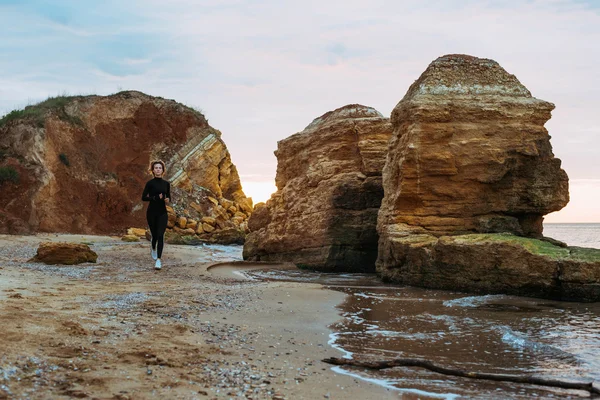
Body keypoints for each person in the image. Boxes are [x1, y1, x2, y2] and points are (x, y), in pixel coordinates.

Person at [141, 160, 171, 270]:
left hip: (162, 212)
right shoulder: (150, 183)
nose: (158, 169)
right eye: (156, 168)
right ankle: (153, 247)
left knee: (160, 235)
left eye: (160, 168)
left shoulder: (166, 184)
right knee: (154, 235)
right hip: (151, 212)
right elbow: (144, 197)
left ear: (163, 170)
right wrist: (154, 198)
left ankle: (158, 260)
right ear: (153, 170)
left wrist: (167, 200)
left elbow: (168, 197)